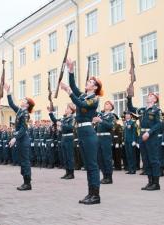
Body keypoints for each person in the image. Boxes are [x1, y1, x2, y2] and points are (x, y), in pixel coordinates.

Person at [60, 58, 101, 205]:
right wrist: (70, 70)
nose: (88, 82)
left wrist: (69, 92)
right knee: (87, 165)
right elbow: (73, 86)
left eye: (90, 82)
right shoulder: (84, 94)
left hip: (89, 133)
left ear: (95, 87)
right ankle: (90, 193)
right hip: (81, 133)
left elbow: (80, 103)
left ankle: (96, 195)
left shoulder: (94, 99)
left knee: (92, 165)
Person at [127, 92, 162, 191]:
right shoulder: (142, 110)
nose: (149, 96)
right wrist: (129, 98)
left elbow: (159, 124)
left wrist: (149, 132)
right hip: (142, 136)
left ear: (155, 100)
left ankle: (156, 183)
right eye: (149, 95)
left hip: (151, 137)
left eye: (152, 96)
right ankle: (150, 182)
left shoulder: (157, 110)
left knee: (153, 159)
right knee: (146, 159)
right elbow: (131, 108)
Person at [4, 82, 35, 191]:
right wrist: (8, 92)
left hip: (23, 139)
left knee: (25, 161)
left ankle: (27, 183)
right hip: (21, 140)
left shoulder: (25, 113)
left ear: (27, 105)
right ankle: (25, 182)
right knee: (22, 161)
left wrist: (14, 138)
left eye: (25, 100)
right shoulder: (20, 111)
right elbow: (12, 104)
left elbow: (23, 129)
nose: (23, 100)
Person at [48, 103, 76, 179]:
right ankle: (67, 172)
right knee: (65, 156)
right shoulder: (63, 118)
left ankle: (71, 173)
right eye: (66, 108)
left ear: (71, 110)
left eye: (68, 108)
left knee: (69, 156)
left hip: (69, 138)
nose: (66, 109)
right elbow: (55, 121)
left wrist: (62, 125)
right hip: (63, 138)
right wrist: (50, 113)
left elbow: (71, 127)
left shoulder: (73, 118)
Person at [93, 101, 116, 184]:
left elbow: (110, 126)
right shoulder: (100, 115)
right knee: (99, 158)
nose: (106, 105)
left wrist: (101, 121)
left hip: (106, 138)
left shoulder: (111, 116)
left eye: (108, 104)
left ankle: (109, 177)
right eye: (105, 103)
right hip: (98, 138)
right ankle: (104, 176)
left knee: (107, 158)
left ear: (111, 107)